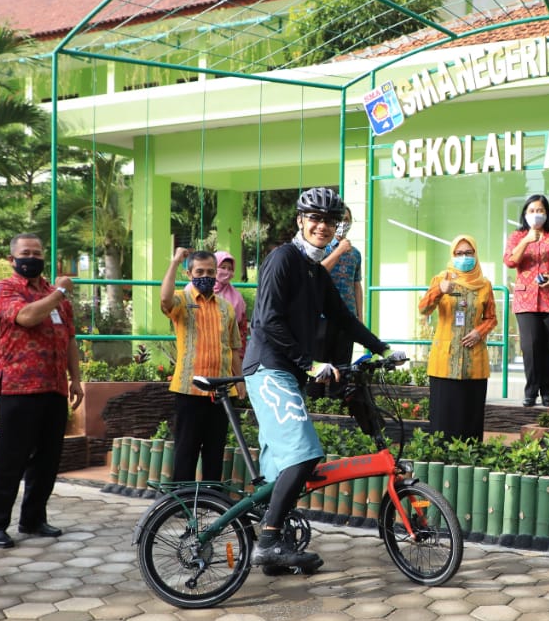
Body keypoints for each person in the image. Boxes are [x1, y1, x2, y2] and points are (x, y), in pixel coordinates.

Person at [243, 187, 400, 570]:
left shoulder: (314, 270)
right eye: (314, 218)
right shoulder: (282, 259)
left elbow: (344, 318)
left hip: (288, 371)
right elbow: (268, 320)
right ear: (299, 220)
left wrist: (381, 349)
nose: (322, 226)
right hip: (269, 368)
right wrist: (310, 363)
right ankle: (268, 541)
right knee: (305, 453)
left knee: (284, 467)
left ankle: (274, 540)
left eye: (330, 221)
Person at [0, 233, 83, 549]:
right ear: (13, 259)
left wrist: (75, 379)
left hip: (53, 388)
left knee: (48, 459)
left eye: (37, 253)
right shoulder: (6, 289)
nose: (32, 257)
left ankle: (33, 519)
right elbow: (26, 317)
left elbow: (69, 339)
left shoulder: (55, 295)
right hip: (17, 387)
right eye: (25, 253)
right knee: (10, 459)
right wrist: (61, 293)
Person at [162, 248, 243, 483]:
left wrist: (240, 382)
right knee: (186, 450)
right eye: (199, 271)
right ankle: (182, 503)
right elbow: (165, 299)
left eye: (210, 271)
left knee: (214, 451)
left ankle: (211, 501)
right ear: (189, 273)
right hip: (189, 390)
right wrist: (175, 261)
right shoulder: (182, 300)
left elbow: (233, 348)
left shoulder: (226, 307)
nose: (205, 276)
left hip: (220, 392)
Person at [418, 235, 498, 441]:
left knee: (470, 415)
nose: (464, 257)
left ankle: (470, 461)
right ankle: (441, 460)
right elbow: (424, 309)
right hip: (445, 359)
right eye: (459, 253)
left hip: (474, 360)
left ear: (475, 254)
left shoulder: (484, 285)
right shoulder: (441, 279)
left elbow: (491, 318)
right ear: (452, 255)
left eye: (468, 253)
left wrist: (479, 332)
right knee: (444, 416)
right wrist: (439, 290)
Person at [503, 194, 549, 407]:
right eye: (532, 211)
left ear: (547, 213)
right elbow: (510, 261)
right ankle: (531, 390)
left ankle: (548, 392)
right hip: (525, 300)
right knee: (530, 345)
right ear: (525, 214)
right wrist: (526, 240)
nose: (536, 214)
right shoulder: (517, 236)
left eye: (540, 210)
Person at [308, 206, 364, 401]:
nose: (343, 223)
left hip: (346, 317)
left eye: (347, 219)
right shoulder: (319, 249)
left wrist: (359, 316)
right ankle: (315, 406)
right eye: (339, 219)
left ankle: (336, 406)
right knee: (319, 364)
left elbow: (356, 284)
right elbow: (317, 272)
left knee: (342, 366)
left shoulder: (355, 254)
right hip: (322, 316)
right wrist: (339, 250)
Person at [213, 250, 249, 353]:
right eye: (223, 267)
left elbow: (242, 329)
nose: (227, 272)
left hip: (229, 349)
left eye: (230, 269)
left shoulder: (237, 297)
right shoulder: (201, 289)